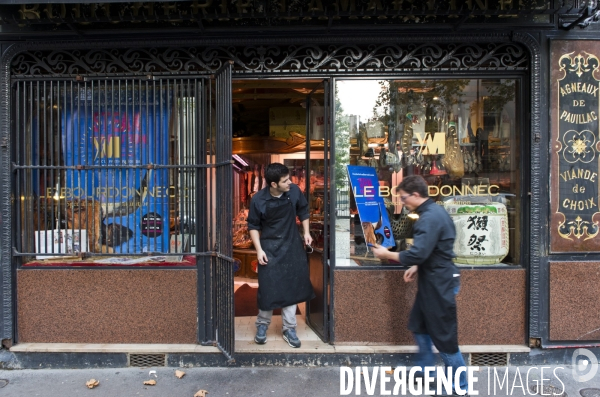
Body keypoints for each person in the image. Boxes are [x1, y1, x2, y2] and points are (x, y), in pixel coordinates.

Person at [370, 175, 468, 396]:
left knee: (445, 339)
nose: (402, 202)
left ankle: (461, 387)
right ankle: (426, 373)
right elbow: (433, 249)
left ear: (415, 195)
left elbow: (419, 252)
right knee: (419, 326)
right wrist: (417, 266)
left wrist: (388, 254)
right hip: (434, 279)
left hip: (440, 283)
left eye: (404, 198)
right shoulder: (433, 212)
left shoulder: (428, 218)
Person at [247, 163, 315, 348]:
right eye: (285, 181)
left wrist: (307, 232)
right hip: (269, 248)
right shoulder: (258, 200)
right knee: (268, 289)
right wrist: (259, 250)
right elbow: (253, 226)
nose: (290, 183)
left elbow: (304, 210)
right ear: (273, 184)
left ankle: (289, 328)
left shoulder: (293, 192)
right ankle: (262, 326)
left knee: (291, 289)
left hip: (292, 245)